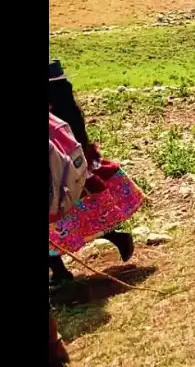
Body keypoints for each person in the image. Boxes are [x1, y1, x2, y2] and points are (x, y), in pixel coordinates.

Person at [48, 60, 145, 285]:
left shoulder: (52, 115)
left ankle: (61, 273)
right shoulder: (68, 107)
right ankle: (117, 239)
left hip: (57, 178)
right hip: (76, 172)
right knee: (79, 221)